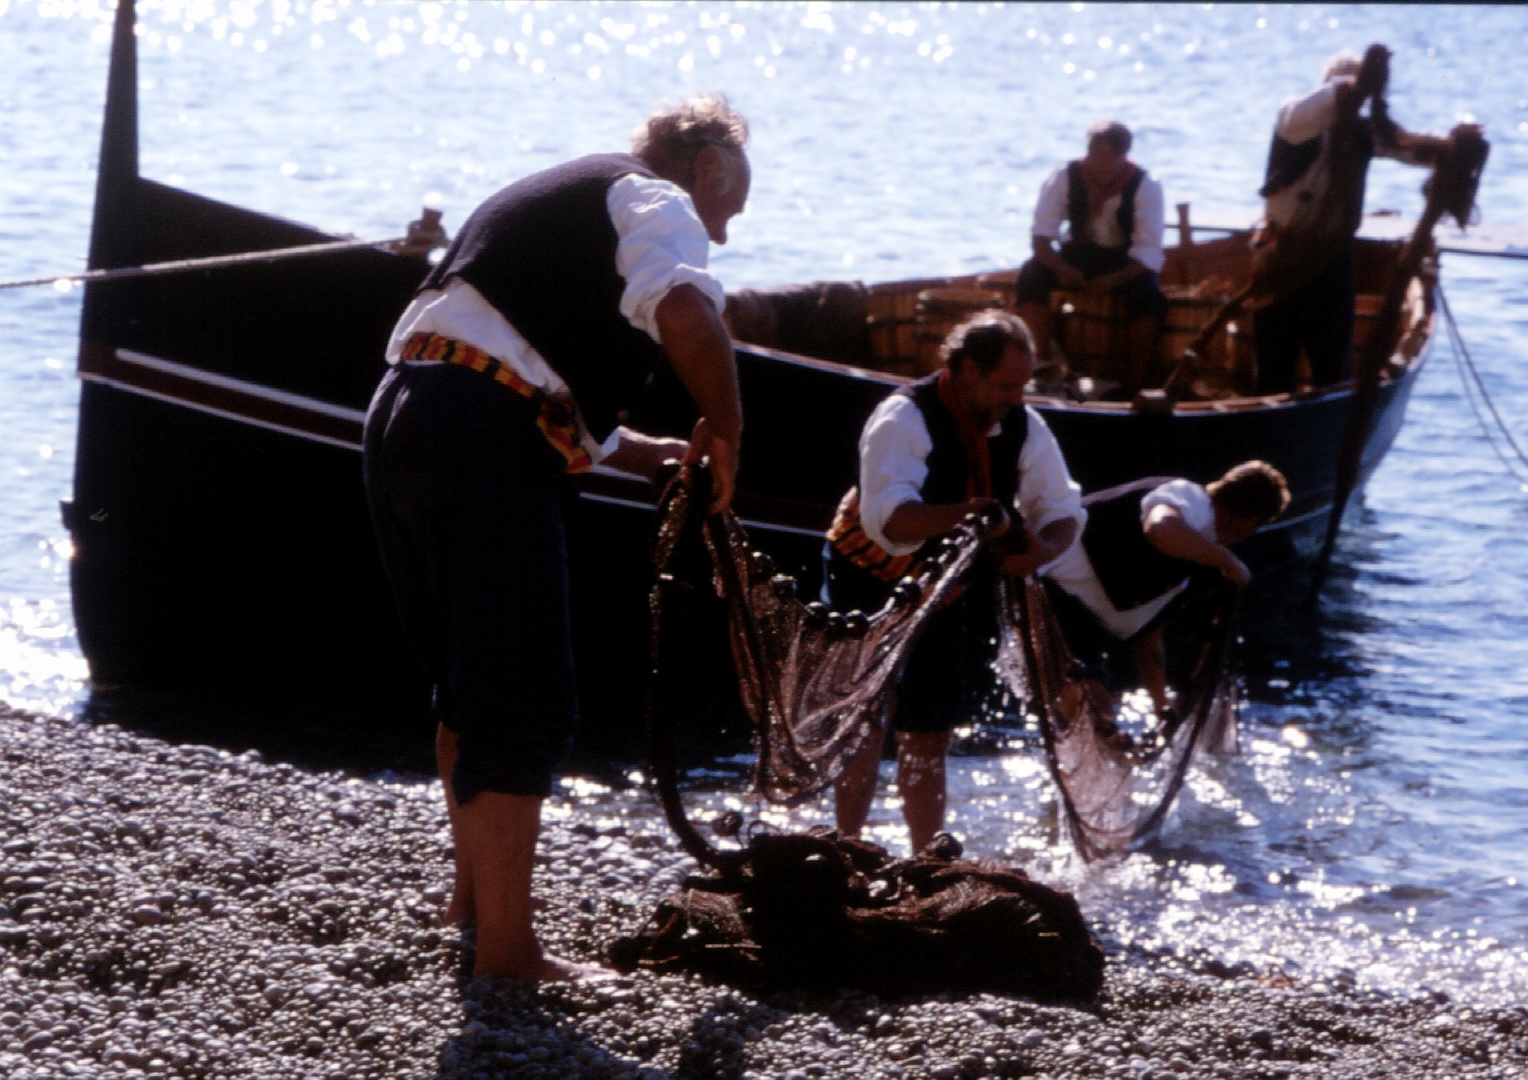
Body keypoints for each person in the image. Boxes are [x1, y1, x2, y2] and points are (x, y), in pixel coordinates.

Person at [362, 96, 750, 981]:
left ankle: (469, 905)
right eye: (726, 211)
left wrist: (638, 452)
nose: (718, 234)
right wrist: (724, 430)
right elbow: (687, 313)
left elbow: (516, 360)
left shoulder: (557, 196)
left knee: (466, 685)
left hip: (407, 414)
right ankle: (509, 952)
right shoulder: (656, 198)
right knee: (520, 697)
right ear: (707, 170)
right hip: (478, 433)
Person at [824, 312, 1086, 855]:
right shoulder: (902, 418)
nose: (1019, 398)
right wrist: (972, 515)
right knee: (865, 720)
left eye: (1024, 386)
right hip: (866, 579)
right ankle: (846, 849)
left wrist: (1042, 551)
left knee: (928, 729)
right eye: (1007, 385)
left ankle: (925, 861)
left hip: (945, 589)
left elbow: (1062, 508)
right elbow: (891, 522)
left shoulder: (1023, 426)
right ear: (968, 370)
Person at [1253, 46, 1448, 394]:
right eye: (1350, 92)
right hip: (1280, 254)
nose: (1355, 102)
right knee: (1272, 366)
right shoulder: (1294, 119)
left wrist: (1452, 148)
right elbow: (1322, 104)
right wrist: (1354, 87)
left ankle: (1328, 416)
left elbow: (1406, 145)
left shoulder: (1364, 132)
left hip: (1332, 258)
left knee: (1333, 366)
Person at [1043, 461, 1290, 716]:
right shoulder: (1190, 498)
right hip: (1045, 584)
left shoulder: (1194, 553)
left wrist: (1161, 705)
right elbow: (1159, 528)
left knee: (1101, 717)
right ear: (1252, 521)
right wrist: (1228, 561)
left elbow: (1148, 639)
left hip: (1074, 616)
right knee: (1095, 710)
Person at [1015, 120, 1167, 393]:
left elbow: (1148, 252)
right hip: (1077, 255)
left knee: (1149, 298)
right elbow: (1041, 237)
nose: (1103, 163)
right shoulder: (1065, 175)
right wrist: (1061, 267)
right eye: (1097, 154)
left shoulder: (1146, 185)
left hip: (1124, 261)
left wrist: (1113, 279)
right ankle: (1043, 367)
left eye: (1111, 157)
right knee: (1031, 276)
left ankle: (1133, 383)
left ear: (1125, 156)